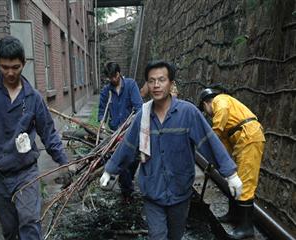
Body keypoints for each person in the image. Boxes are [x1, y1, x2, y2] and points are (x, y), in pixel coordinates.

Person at [99, 60, 243, 240]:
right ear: (147, 85)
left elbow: (209, 141)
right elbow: (127, 146)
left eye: (161, 80)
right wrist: (110, 170)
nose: (156, 85)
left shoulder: (188, 113)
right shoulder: (142, 116)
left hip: (180, 191)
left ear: (171, 83)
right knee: (158, 236)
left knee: (175, 235)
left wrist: (230, 174)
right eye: (151, 81)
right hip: (152, 190)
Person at [0, 36, 69, 239]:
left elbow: (48, 133)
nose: (10, 72)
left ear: (23, 64)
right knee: (10, 231)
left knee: (30, 224)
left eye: (15, 67)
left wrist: (64, 161)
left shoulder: (33, 97)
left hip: (25, 173)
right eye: (5, 67)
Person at [199, 88, 265, 240]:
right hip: (241, 140)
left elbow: (216, 132)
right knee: (235, 177)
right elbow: (222, 148)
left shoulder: (220, 100)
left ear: (205, 103)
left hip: (250, 138)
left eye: (205, 110)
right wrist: (217, 163)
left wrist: (214, 131)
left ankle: (246, 228)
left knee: (246, 182)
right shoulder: (229, 121)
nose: (208, 114)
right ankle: (233, 215)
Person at [98, 62, 143, 202]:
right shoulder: (107, 91)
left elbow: (139, 108)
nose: (113, 80)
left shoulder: (130, 85)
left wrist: (131, 124)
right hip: (114, 133)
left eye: (115, 76)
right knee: (122, 164)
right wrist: (102, 123)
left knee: (133, 161)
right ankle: (127, 194)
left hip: (131, 132)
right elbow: (101, 110)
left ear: (119, 73)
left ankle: (127, 187)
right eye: (110, 77)